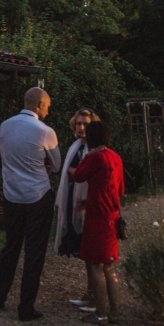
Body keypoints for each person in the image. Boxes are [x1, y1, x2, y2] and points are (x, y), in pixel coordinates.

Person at [0, 87, 60, 321]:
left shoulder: (5, 126)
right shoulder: (45, 131)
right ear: (39, 105)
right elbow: (56, 165)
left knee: (10, 247)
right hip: (37, 195)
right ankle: (25, 306)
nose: (48, 111)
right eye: (47, 106)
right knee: (34, 252)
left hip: (12, 195)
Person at [71, 121, 125, 325]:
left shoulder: (95, 157)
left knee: (95, 264)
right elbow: (118, 189)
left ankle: (101, 313)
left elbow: (79, 175)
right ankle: (116, 311)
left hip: (97, 217)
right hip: (112, 215)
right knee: (109, 265)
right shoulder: (115, 157)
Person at [55, 108, 100, 307]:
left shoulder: (93, 149)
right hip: (73, 197)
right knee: (84, 252)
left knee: (91, 252)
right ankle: (89, 293)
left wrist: (74, 171)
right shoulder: (76, 146)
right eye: (79, 124)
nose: (81, 128)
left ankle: (95, 296)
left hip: (87, 200)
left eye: (86, 124)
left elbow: (81, 172)